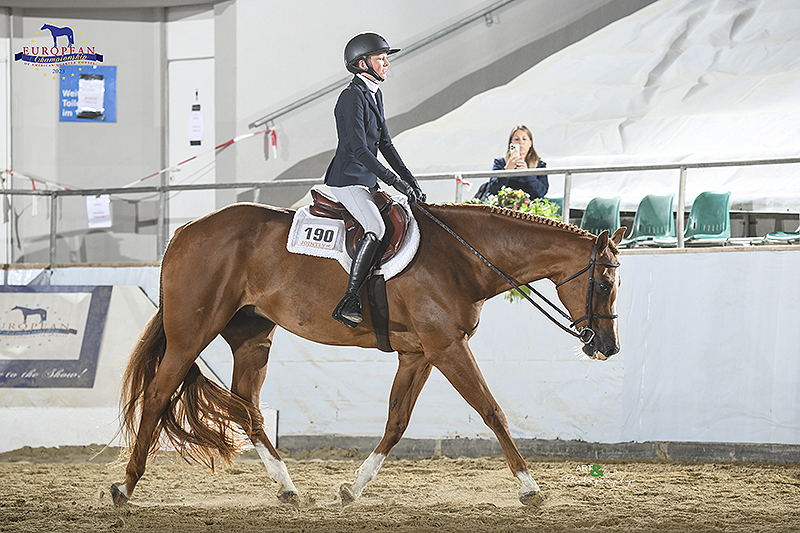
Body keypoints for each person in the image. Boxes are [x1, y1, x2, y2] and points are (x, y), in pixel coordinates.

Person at [324, 32, 426, 328]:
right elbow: (358, 149)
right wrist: (395, 182)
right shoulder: (350, 97)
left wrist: (410, 180)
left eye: (386, 58)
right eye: (381, 59)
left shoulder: (374, 94)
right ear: (361, 63)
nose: (386, 64)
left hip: (367, 179)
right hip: (348, 179)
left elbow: (385, 143)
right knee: (376, 227)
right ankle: (350, 299)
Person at [475, 125, 548, 200]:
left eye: (524, 139)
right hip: (504, 206)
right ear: (511, 143)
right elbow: (493, 189)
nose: (520, 142)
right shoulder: (500, 162)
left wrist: (527, 174)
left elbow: (541, 192)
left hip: (528, 207)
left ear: (530, 143)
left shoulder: (539, 165)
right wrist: (507, 170)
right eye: (516, 139)